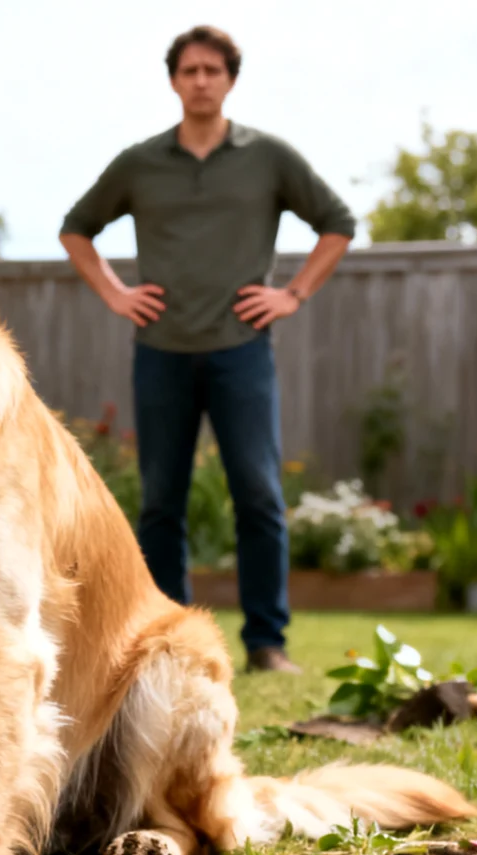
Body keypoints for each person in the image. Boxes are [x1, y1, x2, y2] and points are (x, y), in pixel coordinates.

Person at [59, 25, 355, 674]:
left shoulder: (268, 157)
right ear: (173, 81)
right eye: (189, 70)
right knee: (161, 502)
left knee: (259, 495)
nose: (200, 81)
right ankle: (168, 642)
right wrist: (115, 293)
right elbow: (76, 228)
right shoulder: (141, 163)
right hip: (161, 351)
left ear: (230, 80)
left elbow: (338, 223)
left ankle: (267, 642)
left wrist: (293, 294)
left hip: (242, 351)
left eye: (212, 71)